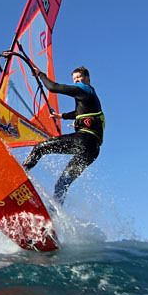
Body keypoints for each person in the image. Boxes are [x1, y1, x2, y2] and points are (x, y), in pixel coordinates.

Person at [22, 64, 105, 205]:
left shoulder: (83, 89)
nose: (77, 81)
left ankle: (20, 174)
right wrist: (62, 116)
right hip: (93, 150)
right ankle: (55, 213)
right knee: (63, 182)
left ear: (88, 78)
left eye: (79, 77)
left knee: (40, 148)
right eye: (74, 79)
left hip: (84, 139)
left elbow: (53, 87)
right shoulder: (92, 96)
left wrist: (40, 75)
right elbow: (80, 113)